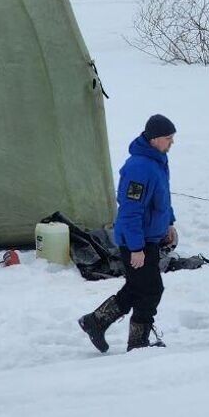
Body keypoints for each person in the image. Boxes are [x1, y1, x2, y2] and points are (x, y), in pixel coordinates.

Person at [79, 114, 178, 352]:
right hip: (137, 241)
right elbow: (130, 211)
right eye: (168, 138)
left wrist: (169, 223)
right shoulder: (139, 168)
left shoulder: (157, 161)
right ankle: (138, 343)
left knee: (137, 288)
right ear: (155, 139)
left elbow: (162, 198)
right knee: (151, 290)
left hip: (149, 238)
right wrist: (136, 248)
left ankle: (96, 321)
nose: (171, 143)